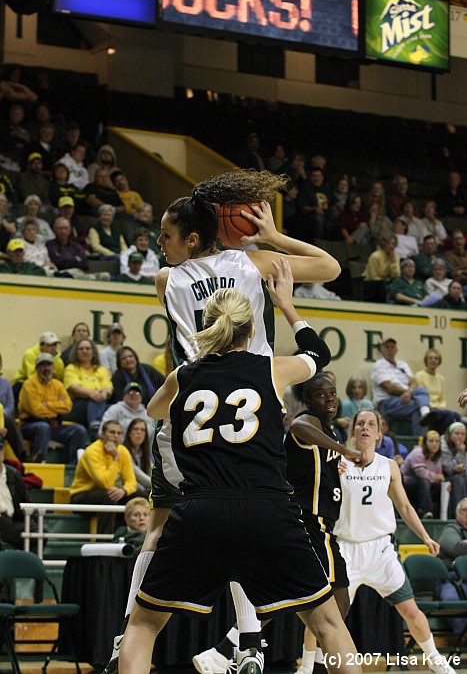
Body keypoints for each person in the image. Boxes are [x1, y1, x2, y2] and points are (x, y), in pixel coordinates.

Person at [102, 168, 341, 674]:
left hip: (190, 403)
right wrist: (273, 236)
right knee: (254, 517)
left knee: (162, 529)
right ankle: (250, 639)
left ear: (190, 237)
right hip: (257, 401)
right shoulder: (256, 264)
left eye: (166, 236)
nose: (159, 245)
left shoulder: (166, 279)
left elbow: (154, 407)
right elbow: (330, 267)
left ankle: (128, 632)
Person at [119, 266, 362, 674]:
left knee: (143, 627)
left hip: (200, 511)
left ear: (207, 327)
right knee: (329, 625)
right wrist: (285, 303)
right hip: (268, 510)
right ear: (250, 331)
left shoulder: (183, 376)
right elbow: (320, 354)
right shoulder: (270, 368)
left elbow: (153, 410)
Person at [334, 409, 456, 674]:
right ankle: (308, 666)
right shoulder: (338, 463)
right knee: (329, 617)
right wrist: (335, 466)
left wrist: (425, 537)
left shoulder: (388, 466)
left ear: (379, 433)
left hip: (380, 549)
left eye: (371, 425)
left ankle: (436, 662)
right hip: (346, 549)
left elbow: (405, 507)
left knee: (410, 610)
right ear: (353, 430)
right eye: (360, 424)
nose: (365, 428)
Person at [284, 372, 364, 674]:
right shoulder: (309, 421)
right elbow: (298, 425)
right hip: (311, 520)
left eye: (332, 393)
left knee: (317, 604)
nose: (329, 399)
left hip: (315, 523)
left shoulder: (330, 430)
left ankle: (227, 650)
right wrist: (343, 449)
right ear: (307, 400)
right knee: (337, 599)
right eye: (320, 394)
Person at [18, 352, 88, 464]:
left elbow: (68, 406)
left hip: (54, 426)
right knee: (43, 427)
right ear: (36, 368)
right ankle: (40, 462)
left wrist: (47, 404)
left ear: (53, 367)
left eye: (49, 365)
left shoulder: (58, 385)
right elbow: (35, 410)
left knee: (79, 430)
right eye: (42, 365)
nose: (46, 368)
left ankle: (74, 466)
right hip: (30, 426)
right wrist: (56, 407)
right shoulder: (29, 384)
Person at [69, 420, 138, 534]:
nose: (116, 436)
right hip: (81, 496)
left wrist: (124, 490)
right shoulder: (92, 451)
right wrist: (116, 458)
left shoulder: (123, 450)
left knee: (138, 498)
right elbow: (105, 482)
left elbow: (132, 482)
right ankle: (103, 542)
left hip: (109, 493)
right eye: (112, 432)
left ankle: (129, 537)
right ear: (103, 435)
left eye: (119, 433)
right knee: (109, 497)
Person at [371, 338, 440, 437]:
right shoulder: (378, 366)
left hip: (406, 399)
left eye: (392, 347)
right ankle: (425, 413)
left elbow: (413, 382)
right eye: (387, 347)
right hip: (387, 403)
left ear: (396, 349)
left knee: (421, 393)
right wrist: (409, 392)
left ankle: (419, 441)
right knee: (420, 404)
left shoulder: (402, 364)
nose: (390, 349)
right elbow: (389, 387)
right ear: (381, 350)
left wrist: (409, 392)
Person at [63, 338, 113, 436]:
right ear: (76, 352)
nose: (84, 351)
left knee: (114, 408)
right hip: (77, 405)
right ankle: (95, 431)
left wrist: (103, 394)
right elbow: (74, 388)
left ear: (93, 352)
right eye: (81, 349)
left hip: (99, 403)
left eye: (87, 349)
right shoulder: (71, 368)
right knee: (94, 401)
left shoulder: (101, 370)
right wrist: (91, 394)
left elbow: (108, 388)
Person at [0, 436, 37, 549]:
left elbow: (26, 501)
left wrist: (33, 521)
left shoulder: (13, 474)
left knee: (38, 532)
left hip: (12, 520)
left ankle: (29, 565)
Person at [438, 498, 467, 636]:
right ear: (457, 514)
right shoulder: (450, 529)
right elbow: (457, 548)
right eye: (465, 510)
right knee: (452, 600)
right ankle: (462, 637)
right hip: (451, 579)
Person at [401, 430, 445, 518]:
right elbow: (421, 473)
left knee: (445, 486)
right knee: (424, 481)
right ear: (425, 442)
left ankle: (446, 515)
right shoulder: (417, 453)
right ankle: (426, 511)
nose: (434, 444)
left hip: (426, 484)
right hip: (408, 483)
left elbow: (440, 476)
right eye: (431, 441)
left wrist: (443, 482)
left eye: (437, 441)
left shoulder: (437, 455)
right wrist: (436, 477)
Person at [414, 349, 461, 431]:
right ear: (426, 361)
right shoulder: (419, 375)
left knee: (457, 416)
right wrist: (435, 407)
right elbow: (422, 395)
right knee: (448, 415)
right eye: (430, 358)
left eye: (436, 358)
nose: (433, 360)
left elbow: (442, 398)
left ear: (439, 361)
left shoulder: (441, 378)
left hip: (439, 408)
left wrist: (442, 407)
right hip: (428, 407)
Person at [362, 235, 400, 303]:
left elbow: (396, 275)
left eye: (393, 244)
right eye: (389, 243)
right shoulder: (375, 256)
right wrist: (385, 281)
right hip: (370, 283)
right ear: (383, 244)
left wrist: (393, 262)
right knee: (382, 285)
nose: (391, 246)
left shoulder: (395, 256)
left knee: (399, 283)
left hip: (386, 282)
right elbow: (372, 276)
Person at [441, 423, 467, 519]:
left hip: (462, 475)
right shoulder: (443, 444)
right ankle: (459, 514)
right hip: (446, 476)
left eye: (463, 434)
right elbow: (447, 468)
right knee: (458, 479)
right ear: (450, 434)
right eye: (457, 433)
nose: (460, 436)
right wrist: (461, 452)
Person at [122, 418, 152, 496]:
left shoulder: (144, 452)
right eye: (136, 429)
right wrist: (157, 485)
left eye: (142, 430)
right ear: (129, 433)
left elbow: (153, 471)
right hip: (128, 489)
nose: (139, 432)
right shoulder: (123, 450)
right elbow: (138, 474)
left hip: (143, 489)